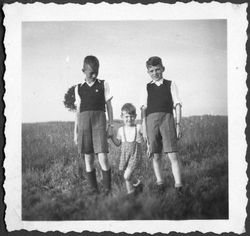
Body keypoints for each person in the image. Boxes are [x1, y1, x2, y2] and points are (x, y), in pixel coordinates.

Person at [141, 56, 183, 194]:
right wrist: (144, 130)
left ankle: (178, 185)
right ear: (148, 72)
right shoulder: (146, 87)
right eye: (151, 70)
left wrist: (178, 125)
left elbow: (177, 105)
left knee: (173, 155)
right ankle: (160, 184)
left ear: (163, 69)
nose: (155, 73)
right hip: (151, 122)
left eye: (157, 69)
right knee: (156, 155)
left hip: (167, 120)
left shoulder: (170, 84)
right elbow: (143, 110)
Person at [74, 55, 114, 195]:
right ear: (83, 70)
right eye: (91, 72)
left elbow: (109, 106)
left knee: (103, 156)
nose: (94, 74)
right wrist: (76, 132)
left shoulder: (103, 84)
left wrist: (111, 124)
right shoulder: (78, 88)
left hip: (99, 123)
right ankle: (93, 190)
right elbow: (78, 112)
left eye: (96, 71)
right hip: (84, 125)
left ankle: (107, 190)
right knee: (88, 158)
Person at [110, 103, 143, 196]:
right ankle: (138, 184)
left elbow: (146, 137)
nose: (129, 119)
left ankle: (130, 194)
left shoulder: (138, 127)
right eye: (126, 116)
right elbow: (118, 143)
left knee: (126, 176)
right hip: (125, 156)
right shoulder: (121, 130)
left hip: (135, 155)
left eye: (132, 116)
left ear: (135, 116)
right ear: (122, 117)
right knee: (128, 176)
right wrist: (112, 136)